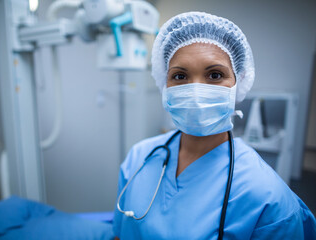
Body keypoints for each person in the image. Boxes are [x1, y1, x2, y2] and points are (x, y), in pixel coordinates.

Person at [112, 12, 316, 239]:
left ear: (237, 83)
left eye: (215, 75)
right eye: (180, 77)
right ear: (165, 85)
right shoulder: (139, 158)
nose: (196, 91)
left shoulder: (269, 199)